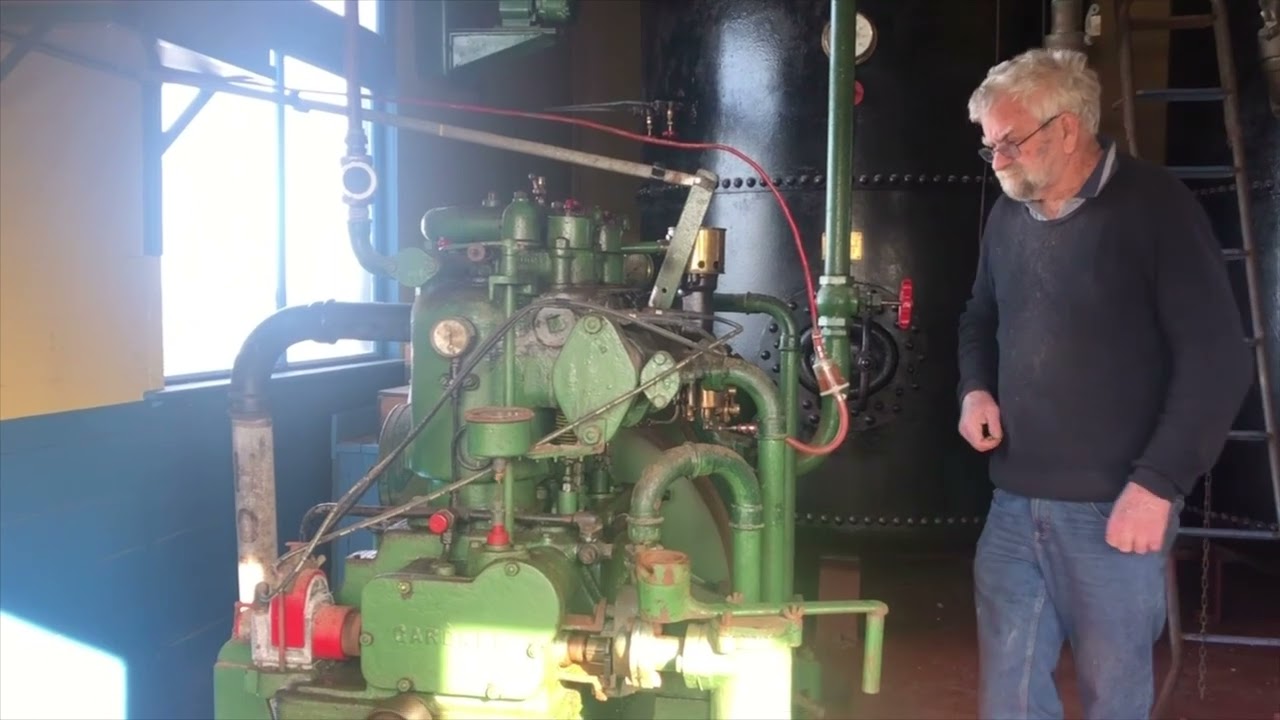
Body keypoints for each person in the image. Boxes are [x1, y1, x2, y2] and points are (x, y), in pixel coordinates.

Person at [956, 48, 1254, 720]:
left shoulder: (1155, 208)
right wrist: (974, 389)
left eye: (1009, 142)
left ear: (1066, 128)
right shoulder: (1009, 216)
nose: (997, 160)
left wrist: (1159, 485)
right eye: (989, 146)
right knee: (1008, 697)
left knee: (1112, 699)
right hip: (1013, 507)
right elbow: (978, 317)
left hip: (1115, 513)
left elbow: (1217, 360)